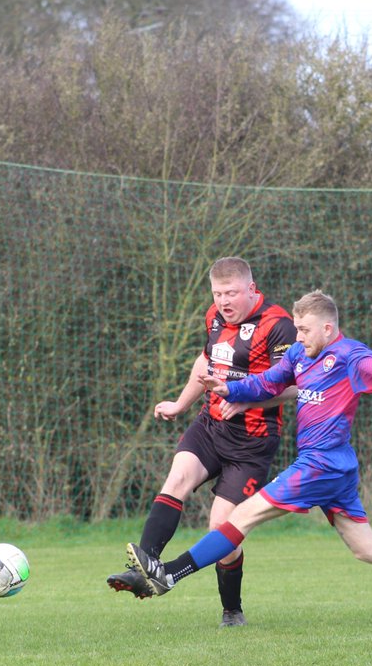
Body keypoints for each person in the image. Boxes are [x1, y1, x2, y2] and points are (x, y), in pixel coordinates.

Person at [124, 290, 372, 613]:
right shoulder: (300, 354)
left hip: (321, 466)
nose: (297, 336)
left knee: (241, 517)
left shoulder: (349, 356)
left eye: (304, 329)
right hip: (335, 469)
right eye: (297, 329)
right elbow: (267, 382)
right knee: (367, 548)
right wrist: (228, 389)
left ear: (328, 329)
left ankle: (170, 574)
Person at [107, 257, 298, 627]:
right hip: (211, 426)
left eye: (232, 293)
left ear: (251, 289)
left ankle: (232, 610)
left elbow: (293, 385)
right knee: (177, 479)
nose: (224, 301)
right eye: (218, 293)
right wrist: (180, 403)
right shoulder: (214, 316)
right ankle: (145, 566)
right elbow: (205, 363)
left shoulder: (278, 326)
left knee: (221, 530)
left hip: (252, 443)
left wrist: (246, 399)